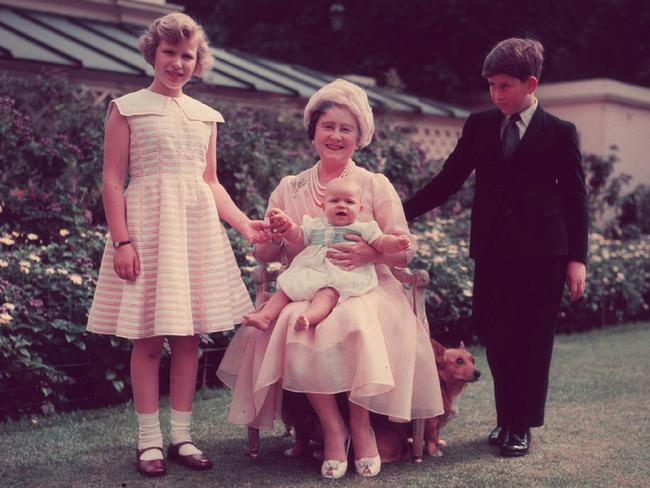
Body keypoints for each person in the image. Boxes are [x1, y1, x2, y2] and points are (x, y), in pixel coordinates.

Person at [217, 78, 443, 479]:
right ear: (313, 131)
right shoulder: (291, 187)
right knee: (292, 321)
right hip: (307, 285)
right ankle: (333, 429)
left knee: (353, 320)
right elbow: (268, 253)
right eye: (328, 127)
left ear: (359, 137)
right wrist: (273, 237)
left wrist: (371, 251)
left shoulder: (374, 185)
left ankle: (360, 425)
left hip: (366, 287)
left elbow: (404, 247)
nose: (336, 136)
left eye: (346, 129)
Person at [86, 13, 267, 477]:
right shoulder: (126, 108)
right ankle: (149, 441)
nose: (177, 63)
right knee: (148, 338)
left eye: (187, 55)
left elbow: (211, 182)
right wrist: (122, 241)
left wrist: (246, 226)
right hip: (146, 229)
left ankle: (182, 436)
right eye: (169, 53)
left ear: (197, 61)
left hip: (194, 233)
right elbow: (111, 180)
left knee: (188, 340)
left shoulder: (204, 116)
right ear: (154, 54)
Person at [403, 38, 588, 457]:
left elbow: (577, 198)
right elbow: (449, 179)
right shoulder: (479, 125)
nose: (497, 94)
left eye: (505, 86)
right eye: (492, 85)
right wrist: (398, 213)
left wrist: (578, 259)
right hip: (494, 253)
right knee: (499, 340)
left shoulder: (560, 132)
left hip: (545, 254)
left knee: (532, 341)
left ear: (530, 83)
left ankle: (520, 427)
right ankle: (506, 420)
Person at [243, 178, 411, 331]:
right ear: (323, 206)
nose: (341, 205)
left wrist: (396, 243)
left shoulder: (364, 228)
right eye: (334, 201)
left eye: (349, 202)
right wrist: (287, 227)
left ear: (360, 208)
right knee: (286, 290)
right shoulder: (315, 225)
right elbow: (298, 237)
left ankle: (308, 317)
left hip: (340, 274)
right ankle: (265, 316)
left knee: (327, 295)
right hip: (311, 271)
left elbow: (381, 242)